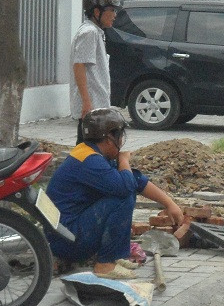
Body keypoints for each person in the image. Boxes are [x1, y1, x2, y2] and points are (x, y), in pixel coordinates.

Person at [45, 107, 184, 280]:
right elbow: (125, 187)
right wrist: (124, 160)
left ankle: (114, 256)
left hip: (69, 233)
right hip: (66, 240)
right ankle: (105, 265)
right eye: (120, 136)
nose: (122, 141)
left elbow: (135, 180)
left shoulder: (90, 153)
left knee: (125, 186)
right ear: (110, 138)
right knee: (123, 196)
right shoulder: (90, 161)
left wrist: (170, 204)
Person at [71, 0, 120, 144]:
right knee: (87, 153)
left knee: (92, 152)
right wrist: (86, 102)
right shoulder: (89, 33)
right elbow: (79, 66)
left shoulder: (97, 32)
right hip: (92, 110)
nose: (114, 15)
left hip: (97, 108)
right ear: (97, 12)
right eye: (111, 10)